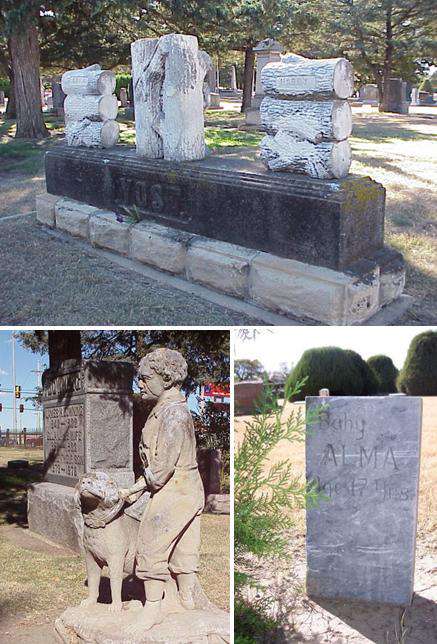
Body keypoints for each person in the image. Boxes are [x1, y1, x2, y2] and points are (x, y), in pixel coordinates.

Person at [119, 348, 205, 631]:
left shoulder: (173, 416)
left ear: (166, 379)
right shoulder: (168, 410)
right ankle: (186, 600)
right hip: (185, 487)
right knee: (183, 546)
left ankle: (155, 608)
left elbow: (159, 473)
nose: (140, 384)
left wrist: (133, 489)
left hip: (175, 489)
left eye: (145, 379)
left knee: (152, 543)